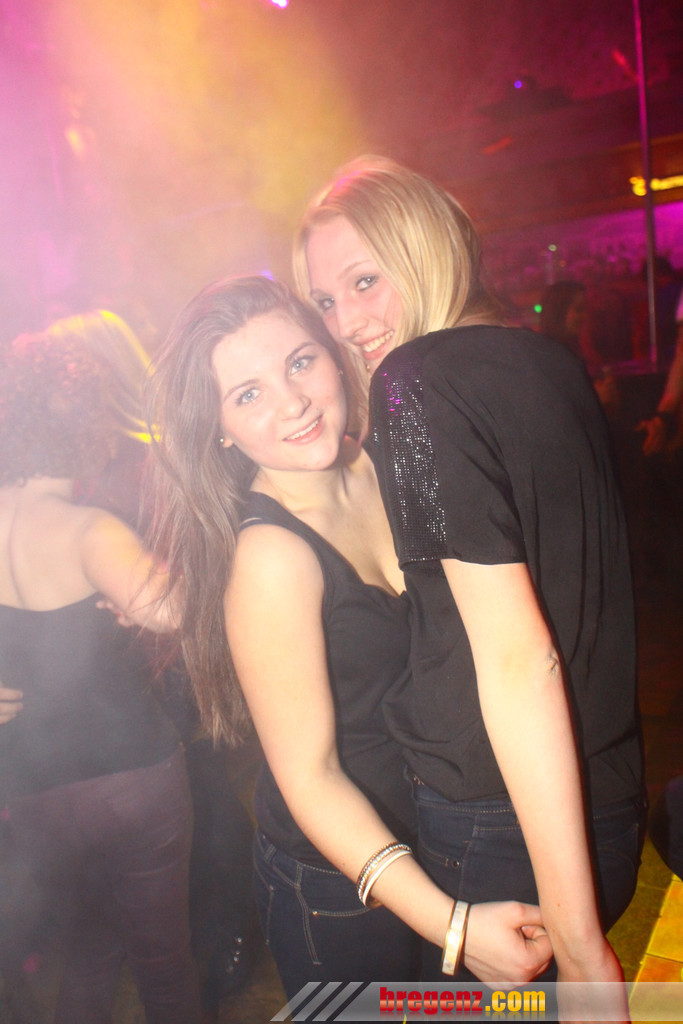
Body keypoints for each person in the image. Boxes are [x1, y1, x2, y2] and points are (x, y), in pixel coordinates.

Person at [145, 274, 552, 1000]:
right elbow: (310, 777)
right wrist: (453, 926)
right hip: (338, 884)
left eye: (300, 362)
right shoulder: (270, 557)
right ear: (219, 428)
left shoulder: (392, 462)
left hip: (441, 838)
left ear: (333, 356)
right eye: (248, 394)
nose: (293, 402)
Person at [295, 157, 645, 992]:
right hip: (600, 798)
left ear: (423, 248)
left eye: (365, 281)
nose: (346, 323)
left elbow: (521, 661)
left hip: (503, 823)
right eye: (325, 301)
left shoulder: (415, 384)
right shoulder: (545, 360)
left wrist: (579, 946)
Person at [0, 330, 201, 1023]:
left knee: (89, 948)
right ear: (88, 424)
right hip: (128, 777)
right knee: (164, 963)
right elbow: (172, 611)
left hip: (31, 790)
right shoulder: (89, 530)